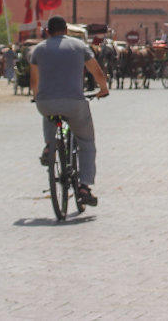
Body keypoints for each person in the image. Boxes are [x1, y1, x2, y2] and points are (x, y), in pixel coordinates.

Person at [30, 16, 110, 208]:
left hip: (46, 103)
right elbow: (96, 71)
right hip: (74, 103)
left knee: (48, 113)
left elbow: (34, 82)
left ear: (48, 31)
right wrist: (103, 88)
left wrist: (37, 96)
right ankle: (84, 187)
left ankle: (50, 146)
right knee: (86, 141)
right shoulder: (79, 46)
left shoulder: (38, 50)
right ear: (66, 30)